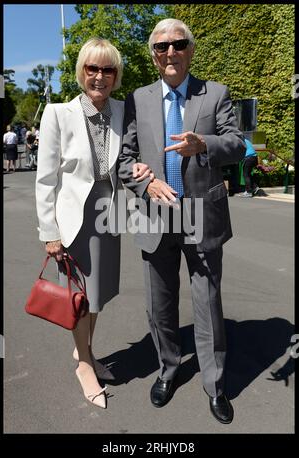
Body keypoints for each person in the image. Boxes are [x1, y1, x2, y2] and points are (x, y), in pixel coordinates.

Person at [118, 18, 246, 424]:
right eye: (161, 47)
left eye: (178, 44)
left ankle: (215, 384)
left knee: (207, 304)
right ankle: (168, 370)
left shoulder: (216, 94)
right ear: (154, 56)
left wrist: (203, 143)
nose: (170, 52)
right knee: (160, 305)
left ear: (191, 49)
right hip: (155, 215)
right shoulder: (138, 99)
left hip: (200, 215)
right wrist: (145, 185)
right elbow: (124, 160)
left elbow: (237, 144)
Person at [35, 37, 152, 409]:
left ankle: (83, 348)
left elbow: (132, 156)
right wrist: (49, 231)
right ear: (81, 71)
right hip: (74, 216)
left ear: (116, 76)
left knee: (97, 293)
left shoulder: (122, 110)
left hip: (110, 211)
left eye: (107, 69)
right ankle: (85, 363)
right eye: (92, 68)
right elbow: (46, 179)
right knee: (78, 296)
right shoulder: (57, 113)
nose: (99, 76)